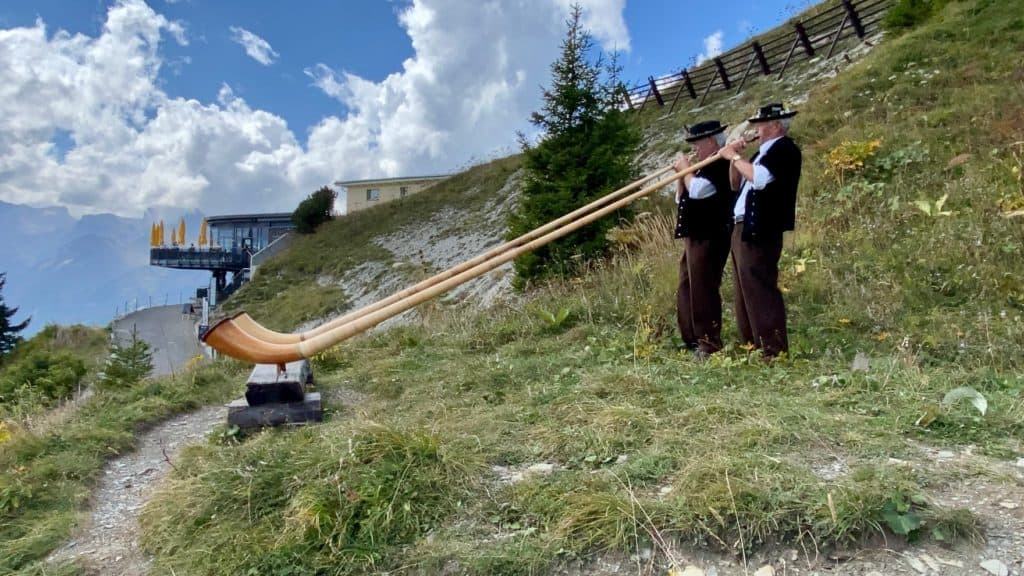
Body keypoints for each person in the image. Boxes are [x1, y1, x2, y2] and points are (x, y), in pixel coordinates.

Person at [718, 103, 802, 358]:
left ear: (775, 125)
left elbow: (761, 179)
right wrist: (734, 158)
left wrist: (733, 157)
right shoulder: (760, 154)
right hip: (744, 225)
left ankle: (773, 350)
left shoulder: (784, 149)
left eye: (760, 124)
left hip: (763, 226)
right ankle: (753, 344)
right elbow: (735, 183)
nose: (756, 129)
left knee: (760, 286)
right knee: (745, 288)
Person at [672, 120, 735, 358]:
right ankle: (691, 338)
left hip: (711, 235)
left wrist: (686, 169)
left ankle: (709, 342)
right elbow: (682, 198)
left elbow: (699, 191)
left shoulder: (720, 164)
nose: (695, 149)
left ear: (711, 142)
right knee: (687, 286)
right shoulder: (701, 166)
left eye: (697, 144)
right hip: (695, 235)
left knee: (703, 288)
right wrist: (681, 175)